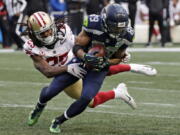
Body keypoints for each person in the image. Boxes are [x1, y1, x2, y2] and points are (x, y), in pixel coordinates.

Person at [24, 6, 156, 133]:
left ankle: (59, 121)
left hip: (89, 65)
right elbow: (53, 67)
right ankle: (39, 107)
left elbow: (114, 58)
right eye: (42, 32)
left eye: (119, 28)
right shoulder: (93, 24)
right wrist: (82, 59)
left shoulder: (127, 34)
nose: (117, 31)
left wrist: (108, 60)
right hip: (75, 64)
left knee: (87, 98)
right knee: (50, 92)